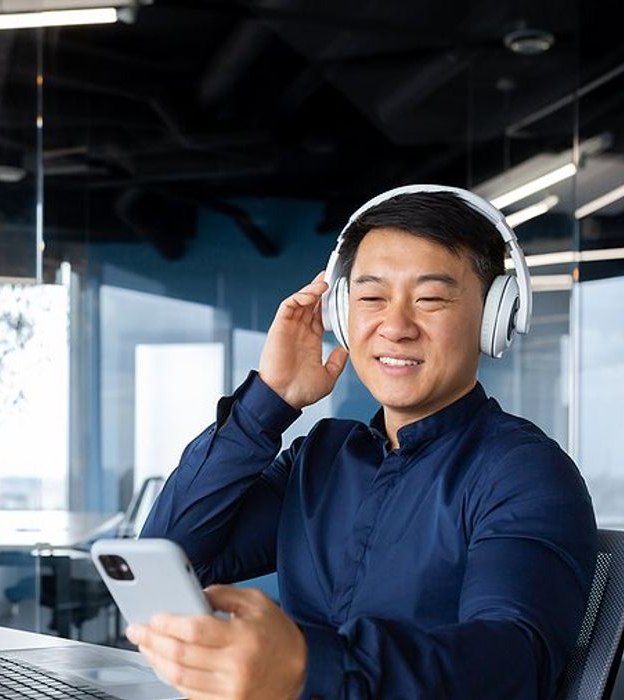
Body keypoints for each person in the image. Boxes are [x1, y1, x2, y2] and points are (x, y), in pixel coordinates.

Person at [129, 188, 598, 699]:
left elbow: (513, 662)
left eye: (431, 299)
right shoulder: (322, 456)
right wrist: (270, 400)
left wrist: (306, 667)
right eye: (371, 298)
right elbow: (171, 557)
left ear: (493, 319)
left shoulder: (523, 472)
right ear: (341, 313)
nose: (395, 327)